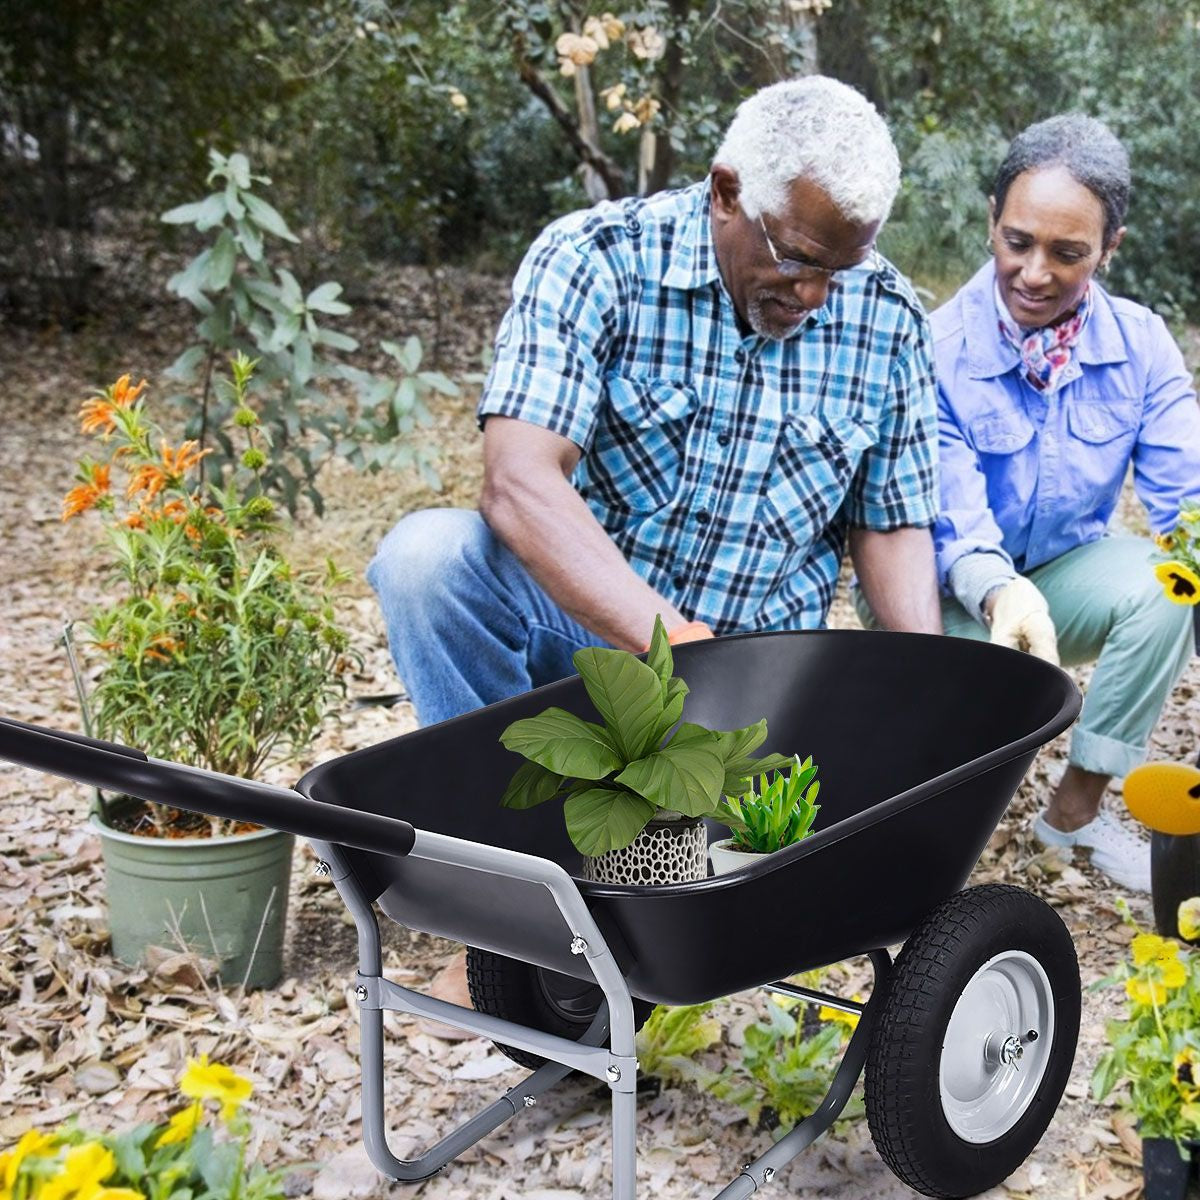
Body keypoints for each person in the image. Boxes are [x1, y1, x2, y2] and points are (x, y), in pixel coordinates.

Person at [367, 76, 943, 738]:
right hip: (586, 645)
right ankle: (494, 817)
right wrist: (681, 646)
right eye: (800, 260)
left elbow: (892, 526)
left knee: (739, 825)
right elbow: (519, 483)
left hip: (758, 686)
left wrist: (925, 681)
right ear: (727, 193)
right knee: (427, 559)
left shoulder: (888, 318)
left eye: (841, 271)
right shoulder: (596, 258)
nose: (816, 295)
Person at [859, 114, 1200, 892]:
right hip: (944, 593)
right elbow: (948, 515)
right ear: (992, 220)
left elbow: (1189, 507)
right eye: (1018, 242)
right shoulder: (935, 347)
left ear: (1109, 248)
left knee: (1174, 584)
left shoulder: (1142, 345)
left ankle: (1074, 818)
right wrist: (997, 589)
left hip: (1064, 578)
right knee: (945, 772)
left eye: (1067, 253)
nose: (1035, 272)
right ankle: (914, 842)